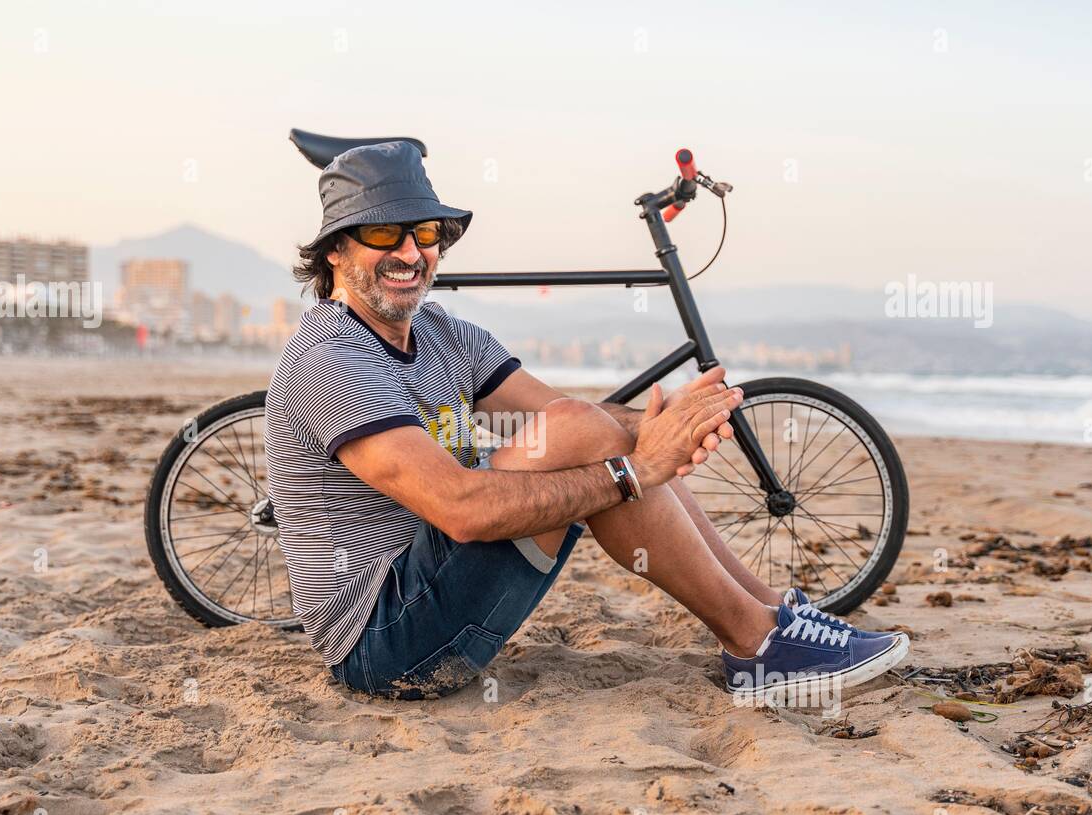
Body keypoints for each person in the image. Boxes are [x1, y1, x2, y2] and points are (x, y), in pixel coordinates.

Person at [265, 141, 908, 700]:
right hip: (381, 646)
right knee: (596, 438)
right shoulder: (324, 356)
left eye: (426, 233)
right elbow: (460, 508)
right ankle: (757, 643)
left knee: (599, 427)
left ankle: (769, 616)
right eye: (384, 235)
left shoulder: (443, 334)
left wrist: (664, 427)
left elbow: (568, 418)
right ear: (334, 252)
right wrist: (632, 470)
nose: (411, 252)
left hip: (441, 598)